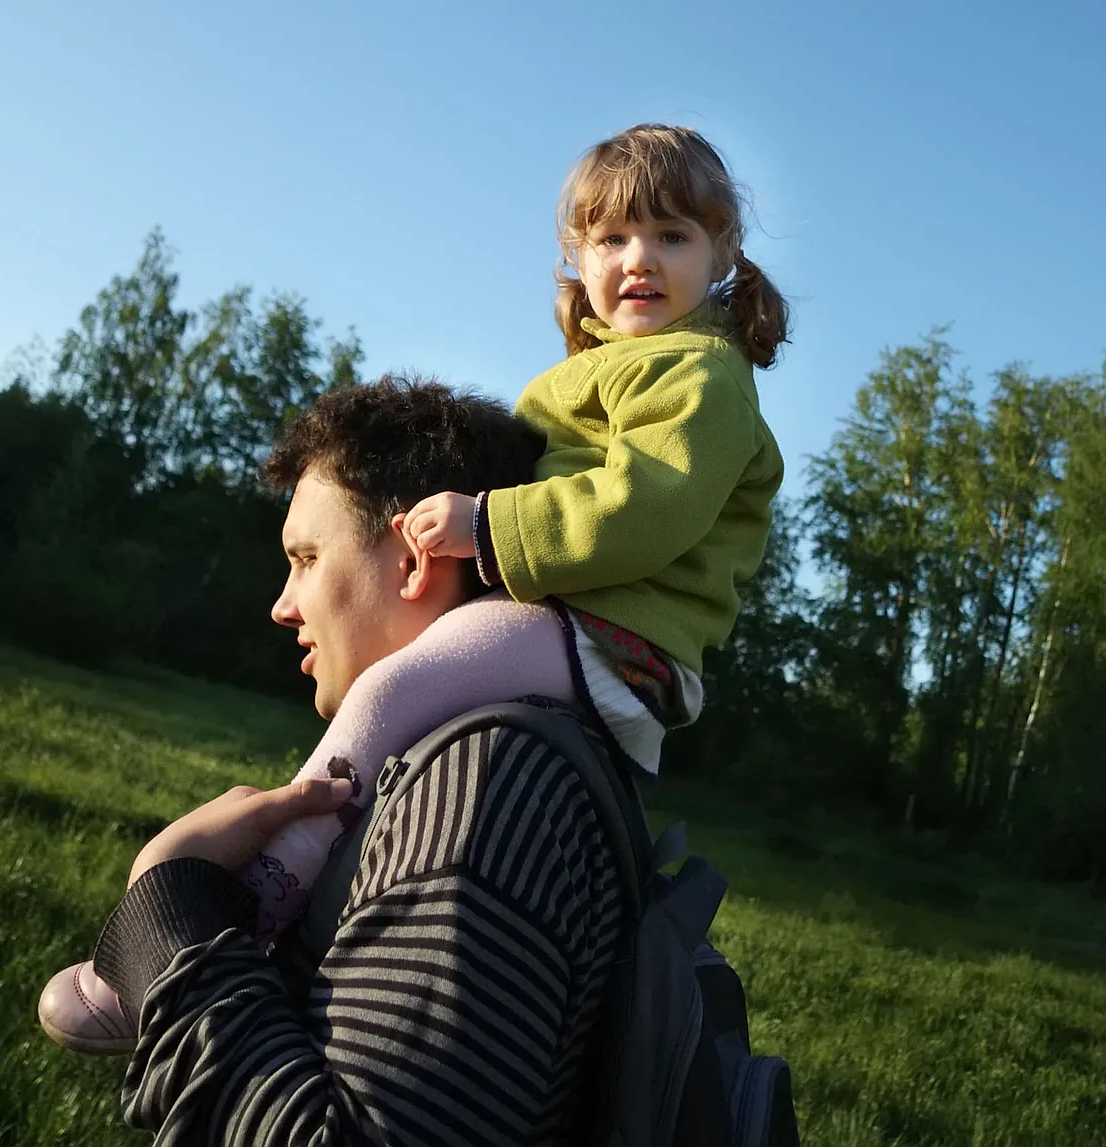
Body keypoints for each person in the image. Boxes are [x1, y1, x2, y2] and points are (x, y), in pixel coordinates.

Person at [41, 121, 788, 1056]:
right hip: (573, 620)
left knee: (392, 689)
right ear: (576, 256)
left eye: (672, 236)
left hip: (615, 637)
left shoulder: (701, 375)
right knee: (408, 703)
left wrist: (487, 528)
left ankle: (255, 894)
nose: (638, 259)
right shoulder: (598, 369)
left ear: (722, 254)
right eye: (611, 238)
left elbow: (647, 506)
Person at [60, 376, 630, 1144]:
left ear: (411, 562)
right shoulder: (466, 767)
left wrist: (171, 915)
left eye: (305, 557)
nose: (282, 604)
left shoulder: (484, 790)